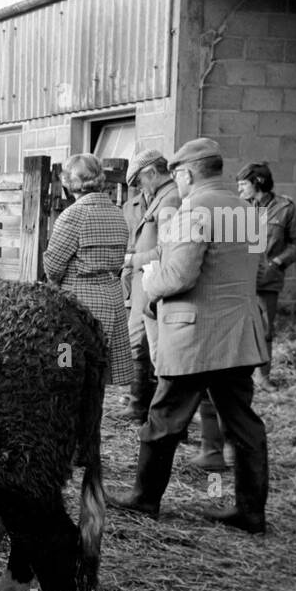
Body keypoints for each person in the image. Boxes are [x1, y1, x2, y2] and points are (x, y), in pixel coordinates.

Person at [110, 138, 269, 534]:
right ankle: (251, 512)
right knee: (244, 424)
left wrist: (150, 278)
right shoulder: (247, 211)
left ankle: (144, 499)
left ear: (185, 173)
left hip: (194, 335)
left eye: (177, 175)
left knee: (164, 418)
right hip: (238, 335)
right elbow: (258, 270)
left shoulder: (193, 209)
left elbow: (179, 275)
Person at [44, 153, 133, 387]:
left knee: (67, 367)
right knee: (97, 374)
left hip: (77, 303)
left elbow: (53, 266)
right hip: (112, 299)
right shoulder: (117, 212)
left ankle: (71, 421)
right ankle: (93, 419)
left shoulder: (73, 215)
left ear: (69, 182)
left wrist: (54, 284)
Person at [238, 161, 296, 390]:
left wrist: (278, 261)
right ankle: (238, 377)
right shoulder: (237, 206)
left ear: (258, 183)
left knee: (265, 329)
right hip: (240, 277)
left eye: (243, 185)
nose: (240, 190)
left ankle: (262, 376)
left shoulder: (285, 208)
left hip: (268, 279)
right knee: (237, 327)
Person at [121, 150, 181, 422]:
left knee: (158, 352)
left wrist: (132, 259)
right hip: (141, 281)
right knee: (138, 343)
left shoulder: (171, 199)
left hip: (155, 282)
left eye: (139, 181)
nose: (138, 188)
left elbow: (168, 250)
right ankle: (139, 405)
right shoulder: (157, 198)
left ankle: (163, 415)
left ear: (152, 173)